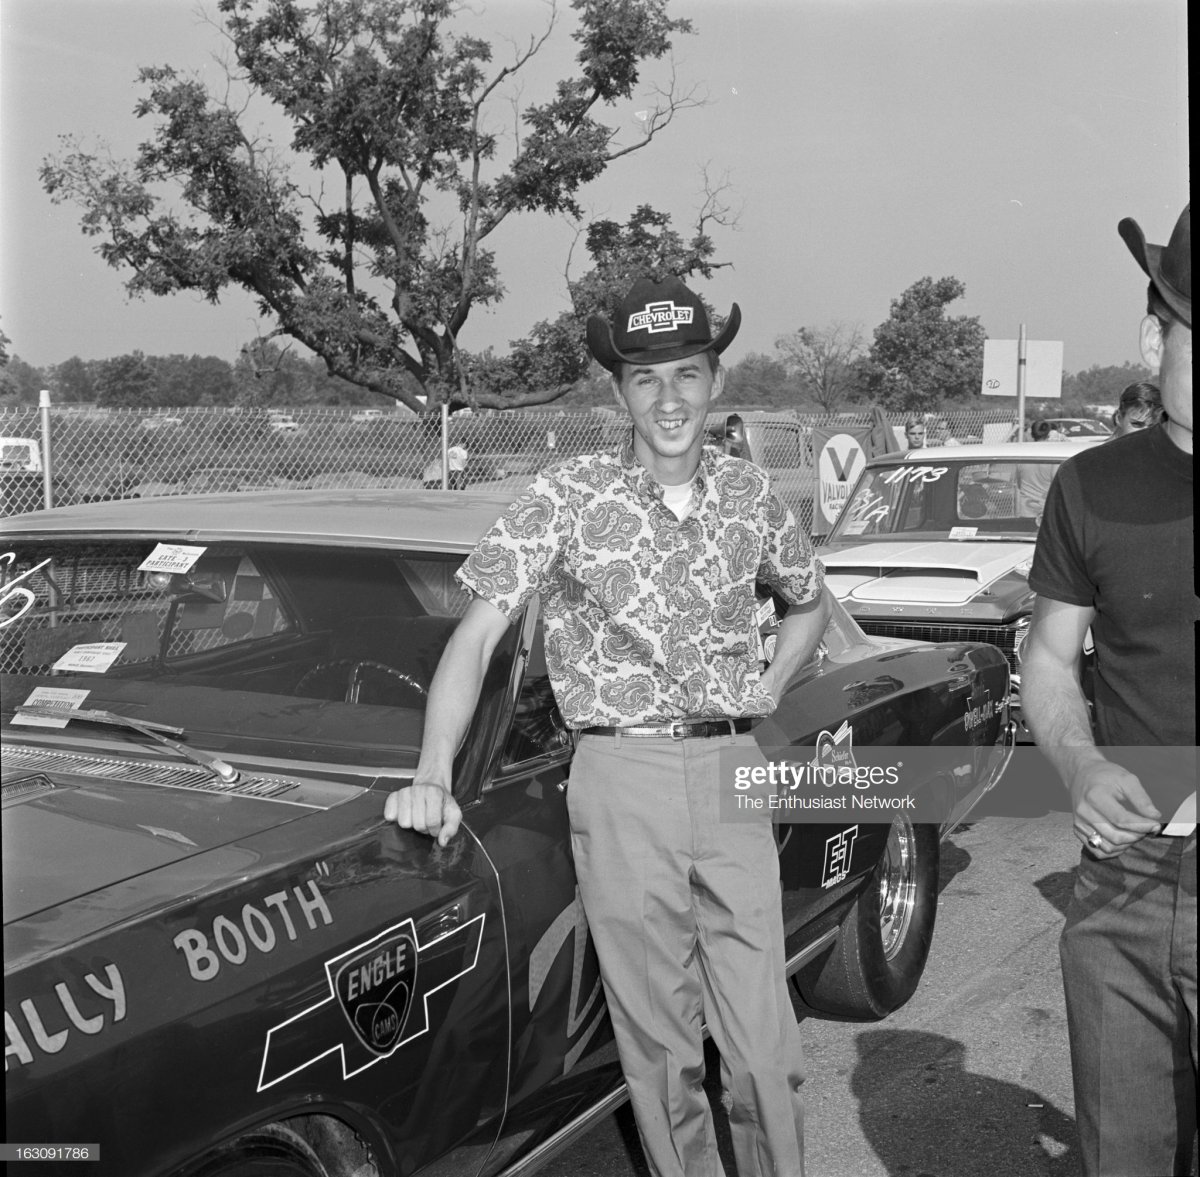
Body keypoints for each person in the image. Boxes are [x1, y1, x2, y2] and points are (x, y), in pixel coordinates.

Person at [386, 274, 829, 1177]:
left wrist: (771, 682)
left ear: (715, 384)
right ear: (619, 391)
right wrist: (434, 767)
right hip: (620, 781)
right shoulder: (566, 495)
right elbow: (476, 637)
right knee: (662, 1052)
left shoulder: (749, 496)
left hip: (730, 766)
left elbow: (810, 604)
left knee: (764, 1048)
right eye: (646, 379)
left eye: (688, 376)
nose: (670, 399)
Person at [1020, 204, 1195, 1176]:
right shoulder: (1087, 488)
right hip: (1123, 879)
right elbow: (1050, 656)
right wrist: (1077, 763)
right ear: (1154, 336)